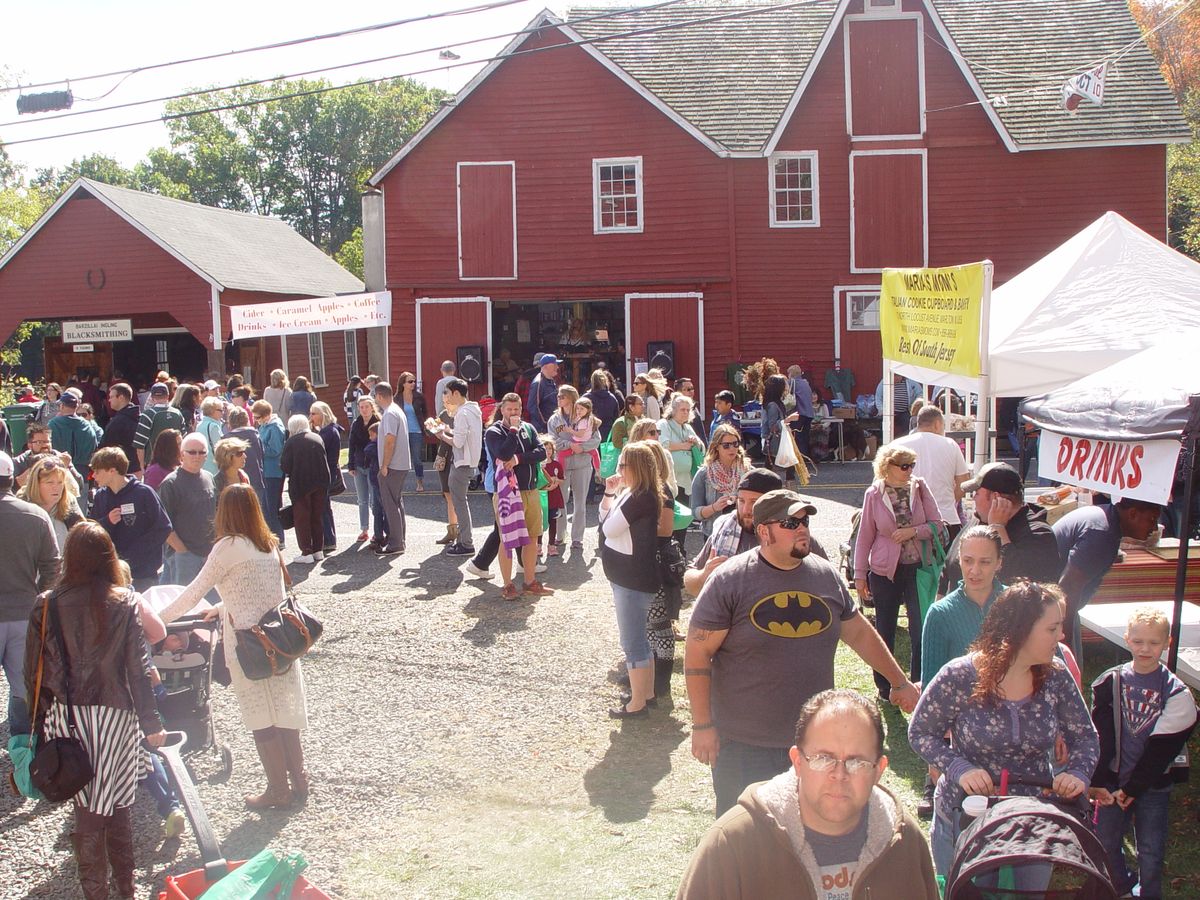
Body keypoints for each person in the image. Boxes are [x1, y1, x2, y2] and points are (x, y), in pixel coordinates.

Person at [686, 489, 920, 817]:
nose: (801, 529)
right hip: (743, 744)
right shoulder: (730, 581)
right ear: (763, 531)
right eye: (790, 523)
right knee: (744, 840)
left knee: (811, 832)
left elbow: (859, 634)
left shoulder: (824, 576)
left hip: (814, 745)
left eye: (804, 521)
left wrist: (899, 682)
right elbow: (697, 653)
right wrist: (702, 725)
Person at [908, 581, 1100, 877]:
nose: (1061, 636)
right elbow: (920, 731)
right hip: (967, 816)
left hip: (1033, 820)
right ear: (1020, 631)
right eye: (1052, 629)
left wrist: (1077, 773)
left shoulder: (1057, 677)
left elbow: (1085, 737)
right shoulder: (960, 676)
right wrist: (959, 767)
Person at [677, 689, 940, 900]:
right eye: (823, 758)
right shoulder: (732, 844)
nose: (839, 774)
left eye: (857, 762)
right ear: (798, 762)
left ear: (878, 770)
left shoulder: (904, 841)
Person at [25, 524, 166, 900]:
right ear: (108, 557)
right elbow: (137, 667)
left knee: (87, 809)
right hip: (116, 717)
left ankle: (98, 893)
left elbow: (34, 672)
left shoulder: (47, 602)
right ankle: (126, 888)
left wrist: (36, 726)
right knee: (119, 803)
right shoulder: (125, 601)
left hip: (67, 718)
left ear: (69, 559)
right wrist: (151, 722)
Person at [158, 485, 309, 810]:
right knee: (284, 714)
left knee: (261, 717)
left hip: (248, 644)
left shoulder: (227, 547)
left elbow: (193, 592)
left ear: (224, 512)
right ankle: (299, 783)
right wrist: (224, 607)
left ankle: (277, 792)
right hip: (280, 640)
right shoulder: (268, 544)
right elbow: (266, 595)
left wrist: (155, 620)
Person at [1091, 606, 1197, 900]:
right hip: (1113, 784)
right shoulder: (1108, 683)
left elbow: (1161, 750)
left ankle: (1149, 893)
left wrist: (1134, 787)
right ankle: (1121, 887)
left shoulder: (1175, 692)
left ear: (1167, 644)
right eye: (1138, 642)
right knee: (1106, 840)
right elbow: (1099, 737)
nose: (1145, 649)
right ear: (1126, 639)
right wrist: (1099, 780)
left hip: (1153, 786)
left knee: (1150, 849)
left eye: (1154, 642)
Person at [854, 442, 945, 702]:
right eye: (904, 466)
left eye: (911, 465)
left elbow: (938, 525)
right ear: (887, 467)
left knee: (920, 627)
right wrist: (860, 574)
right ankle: (885, 686)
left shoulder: (920, 487)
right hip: (884, 571)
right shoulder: (874, 493)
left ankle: (918, 683)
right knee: (884, 628)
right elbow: (864, 536)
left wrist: (914, 532)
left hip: (918, 569)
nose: (909, 470)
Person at [599, 441, 669, 717]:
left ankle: (637, 703)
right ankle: (645, 694)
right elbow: (605, 517)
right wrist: (609, 494)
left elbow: (609, 528)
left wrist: (610, 508)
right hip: (625, 576)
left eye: (623, 464)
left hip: (632, 578)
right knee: (639, 640)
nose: (619, 469)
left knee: (633, 642)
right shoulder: (632, 493)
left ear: (636, 467)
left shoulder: (641, 497)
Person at [0, 451, 60, 737]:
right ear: (12, 479)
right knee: (25, 691)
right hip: (24, 614)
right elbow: (52, 566)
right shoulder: (35, 516)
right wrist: (39, 598)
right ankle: (25, 756)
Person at [1055, 496, 1163, 650]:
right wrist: (1063, 641)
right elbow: (1068, 590)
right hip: (1053, 612)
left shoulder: (1104, 520)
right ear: (1132, 514)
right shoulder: (1102, 533)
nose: (1154, 528)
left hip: (1055, 609)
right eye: (1152, 519)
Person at [940, 461, 1061, 590]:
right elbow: (949, 566)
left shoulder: (1039, 535)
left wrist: (998, 528)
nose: (973, 498)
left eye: (977, 493)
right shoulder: (979, 520)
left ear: (995, 498)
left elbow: (1018, 580)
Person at [483, 394, 552, 599]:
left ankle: (530, 581)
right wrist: (512, 431)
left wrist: (518, 459)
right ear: (502, 410)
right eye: (509, 409)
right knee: (507, 538)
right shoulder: (494, 431)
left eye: (517, 409)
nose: (514, 413)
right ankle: (507, 584)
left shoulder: (529, 428)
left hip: (530, 490)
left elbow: (541, 452)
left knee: (532, 536)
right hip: (508, 493)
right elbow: (503, 454)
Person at [89, 447, 172, 591]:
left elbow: (163, 527)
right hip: (110, 573)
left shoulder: (144, 493)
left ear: (112, 471)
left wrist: (133, 555)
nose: (94, 476)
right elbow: (91, 530)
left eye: (97, 471)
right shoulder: (100, 496)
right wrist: (107, 521)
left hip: (142, 574)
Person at [893, 405, 970, 540]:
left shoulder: (896, 445)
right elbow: (963, 483)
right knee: (945, 560)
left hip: (906, 522)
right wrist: (952, 500)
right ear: (937, 424)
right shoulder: (951, 445)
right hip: (946, 518)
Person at [158, 432, 219, 589]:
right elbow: (163, 524)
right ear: (182, 454)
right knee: (184, 606)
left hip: (209, 554)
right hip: (184, 556)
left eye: (201, 452)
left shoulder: (209, 477)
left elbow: (216, 512)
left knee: (209, 605)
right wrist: (182, 550)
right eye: (192, 452)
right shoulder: (170, 484)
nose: (196, 456)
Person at [432, 379, 482, 557]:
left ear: (455, 393)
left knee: (459, 503)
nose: (446, 397)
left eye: (447, 393)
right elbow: (465, 436)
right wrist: (448, 429)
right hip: (470, 462)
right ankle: (463, 540)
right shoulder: (473, 409)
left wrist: (441, 434)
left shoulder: (462, 413)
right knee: (461, 503)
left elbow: (458, 443)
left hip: (461, 463)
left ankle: (466, 543)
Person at [549, 384, 600, 551]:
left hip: (582, 464)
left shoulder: (586, 417)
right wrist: (570, 445)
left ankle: (577, 538)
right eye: (558, 396)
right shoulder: (554, 419)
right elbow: (552, 441)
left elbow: (596, 439)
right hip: (561, 466)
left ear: (571, 398)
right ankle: (560, 535)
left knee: (580, 503)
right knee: (560, 502)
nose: (559, 399)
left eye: (562, 396)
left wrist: (582, 447)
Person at [280, 415, 330, 564]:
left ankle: (306, 551)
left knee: (302, 518)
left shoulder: (291, 442)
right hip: (320, 482)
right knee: (316, 516)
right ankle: (318, 550)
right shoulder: (317, 438)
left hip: (301, 484)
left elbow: (285, 466)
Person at [690, 423, 747, 540]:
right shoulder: (704, 474)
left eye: (735, 444)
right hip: (715, 534)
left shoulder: (747, 471)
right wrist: (714, 507)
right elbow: (695, 512)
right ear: (716, 447)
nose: (732, 449)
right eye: (726, 445)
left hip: (743, 533)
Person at [373, 382, 410, 556]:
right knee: (396, 503)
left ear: (379, 396)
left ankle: (396, 544)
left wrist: (384, 465)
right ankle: (399, 539)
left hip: (393, 465)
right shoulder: (397, 410)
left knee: (390, 504)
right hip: (400, 464)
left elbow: (390, 440)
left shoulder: (389, 414)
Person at [19, 455, 86, 550]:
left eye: (60, 483)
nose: (56, 488)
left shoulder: (69, 505)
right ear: (36, 484)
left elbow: (82, 537)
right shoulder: (21, 507)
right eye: (49, 482)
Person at [308, 402, 343, 554]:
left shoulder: (328, 432)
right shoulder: (326, 431)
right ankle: (329, 539)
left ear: (323, 415)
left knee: (322, 508)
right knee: (324, 508)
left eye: (313, 414)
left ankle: (328, 540)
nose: (311, 417)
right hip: (326, 473)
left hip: (326, 474)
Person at [253, 400, 287, 543]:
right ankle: (275, 538)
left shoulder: (275, 428)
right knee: (268, 507)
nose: (256, 421)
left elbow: (276, 450)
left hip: (274, 472)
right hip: (266, 471)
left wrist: (258, 449)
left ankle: (277, 539)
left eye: (258, 417)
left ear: (266, 415)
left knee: (270, 508)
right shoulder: (265, 425)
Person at [347, 396, 380, 543]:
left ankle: (377, 530)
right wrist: (351, 465)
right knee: (362, 500)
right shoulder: (356, 424)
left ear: (372, 407)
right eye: (361, 407)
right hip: (359, 464)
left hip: (373, 465)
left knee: (375, 500)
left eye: (366, 406)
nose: (364, 410)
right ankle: (364, 529)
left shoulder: (378, 422)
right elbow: (351, 444)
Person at [133, 382, 185, 472]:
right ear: (168, 396)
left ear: (152, 398)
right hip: (175, 464)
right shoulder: (178, 413)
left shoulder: (148, 415)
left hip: (154, 465)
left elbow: (139, 445)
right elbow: (184, 440)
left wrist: (142, 468)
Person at [50, 391, 99, 484]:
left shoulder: (53, 424)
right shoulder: (87, 425)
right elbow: (94, 447)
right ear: (76, 407)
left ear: (62, 406)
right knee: (81, 496)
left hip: (58, 470)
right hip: (83, 472)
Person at [761, 374, 798, 482]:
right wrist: (788, 419)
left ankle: (767, 487)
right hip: (775, 440)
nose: (786, 387)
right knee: (784, 466)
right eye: (784, 385)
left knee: (771, 466)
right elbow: (772, 426)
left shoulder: (775, 403)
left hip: (777, 440)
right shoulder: (773, 405)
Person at [98, 383, 141, 476]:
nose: (109, 400)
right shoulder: (140, 417)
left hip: (122, 472)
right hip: (138, 469)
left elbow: (105, 447)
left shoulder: (117, 422)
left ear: (121, 397)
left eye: (111, 397)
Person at [397, 372, 429, 493]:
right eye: (410, 381)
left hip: (416, 431)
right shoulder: (397, 398)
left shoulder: (419, 397)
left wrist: (426, 425)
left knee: (417, 458)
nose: (413, 384)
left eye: (414, 381)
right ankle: (399, 482)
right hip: (402, 432)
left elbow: (425, 412)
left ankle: (419, 481)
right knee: (401, 459)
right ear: (403, 383)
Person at [583, 369, 622, 440]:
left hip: (591, 435)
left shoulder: (586, 398)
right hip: (608, 434)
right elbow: (616, 417)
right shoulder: (612, 398)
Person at [526, 353, 561, 432]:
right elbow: (532, 406)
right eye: (555, 364)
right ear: (545, 366)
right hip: (542, 430)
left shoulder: (551, 381)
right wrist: (545, 424)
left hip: (552, 427)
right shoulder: (538, 383)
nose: (557, 367)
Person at [195, 396, 226, 474]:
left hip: (202, 466)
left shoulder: (200, 424)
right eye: (220, 410)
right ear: (212, 411)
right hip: (214, 468)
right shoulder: (213, 426)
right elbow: (220, 450)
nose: (223, 413)